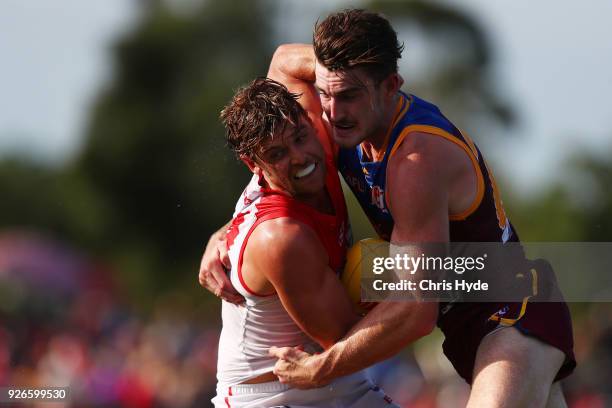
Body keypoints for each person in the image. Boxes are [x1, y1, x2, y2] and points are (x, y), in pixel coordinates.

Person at [201, 9, 576, 407]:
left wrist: (322, 368)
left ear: (390, 85)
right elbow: (282, 62)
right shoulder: (341, 123)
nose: (331, 111)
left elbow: (417, 311)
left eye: (349, 95)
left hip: (511, 312)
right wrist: (229, 230)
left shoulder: (414, 160)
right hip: (466, 315)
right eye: (325, 91)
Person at [210, 77, 397, 407]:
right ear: (254, 165)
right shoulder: (281, 237)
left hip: (331, 377)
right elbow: (346, 339)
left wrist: (359, 78)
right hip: (272, 397)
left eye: (300, 137)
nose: (300, 158)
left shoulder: (319, 149)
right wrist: (461, 275)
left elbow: (285, 58)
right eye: (278, 153)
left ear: (312, 123)